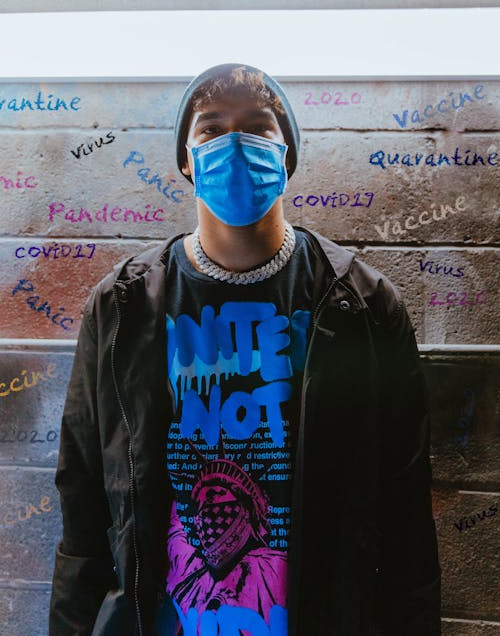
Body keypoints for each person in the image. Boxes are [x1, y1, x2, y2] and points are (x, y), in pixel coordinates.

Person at [49, 63, 441, 636]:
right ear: (186, 160)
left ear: (286, 155)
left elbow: (405, 514)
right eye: (210, 129)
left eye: (259, 126)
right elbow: (82, 499)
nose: (235, 142)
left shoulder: (362, 305)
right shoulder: (121, 308)